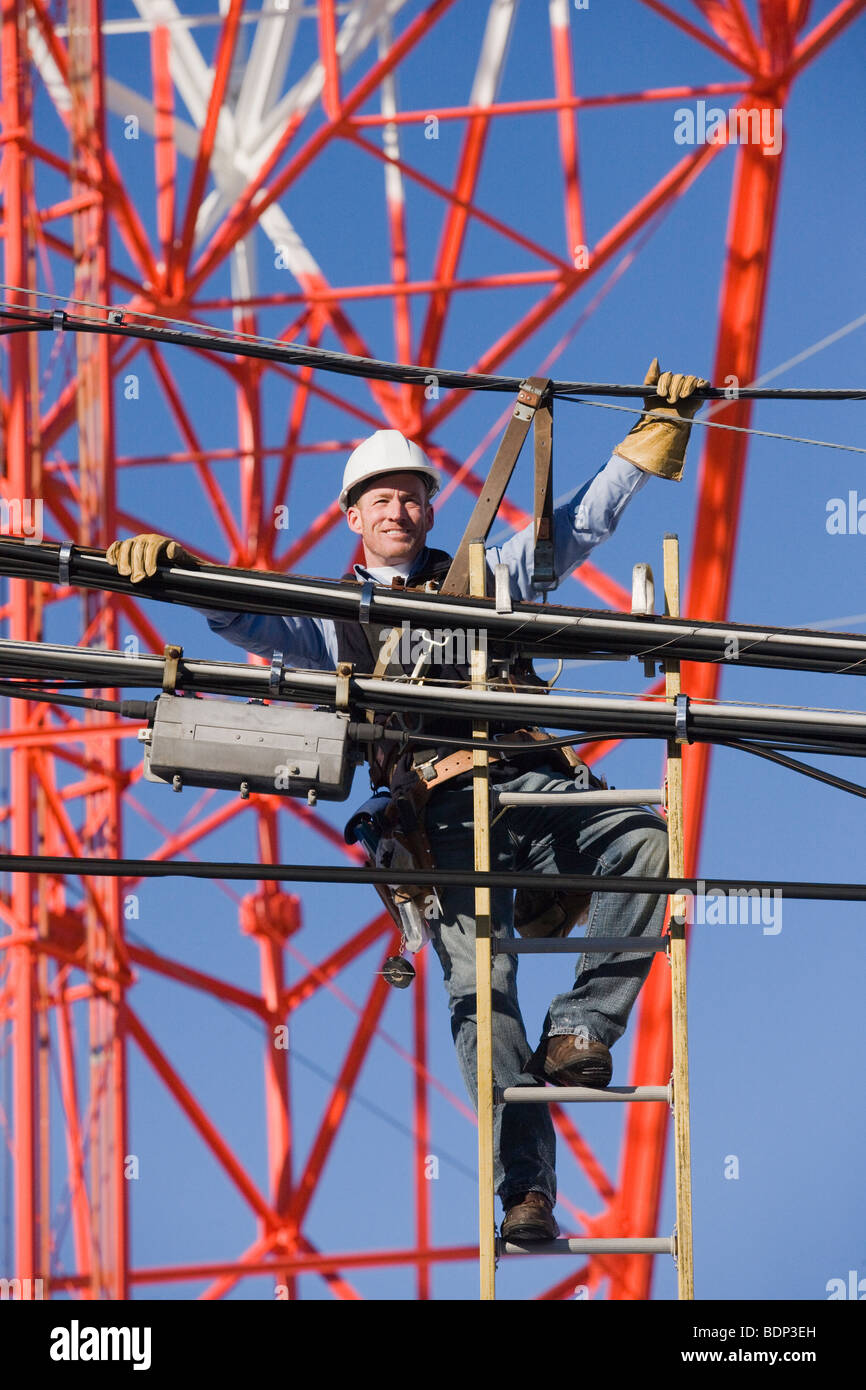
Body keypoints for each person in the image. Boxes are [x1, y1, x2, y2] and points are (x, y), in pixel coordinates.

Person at [107, 358, 707, 1241]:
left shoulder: (480, 573)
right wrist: (182, 574)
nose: (398, 511)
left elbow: (573, 527)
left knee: (646, 847)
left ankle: (582, 1031)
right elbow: (250, 619)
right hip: (438, 823)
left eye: (411, 497)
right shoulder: (331, 617)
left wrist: (646, 440)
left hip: (531, 792)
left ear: (429, 508)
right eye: (380, 500)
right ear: (354, 520)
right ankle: (525, 1189)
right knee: (482, 989)